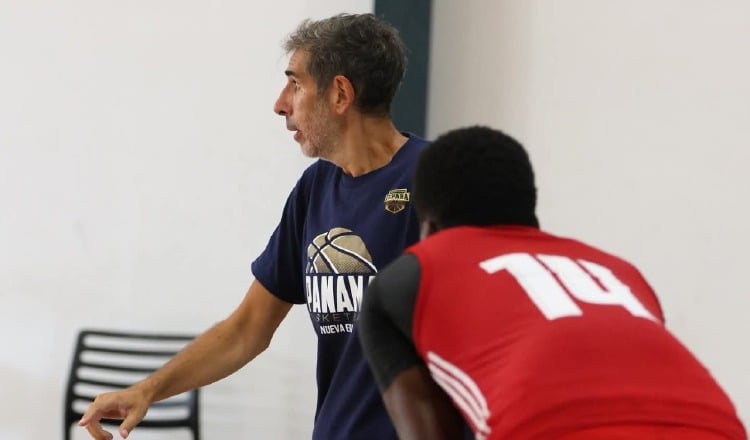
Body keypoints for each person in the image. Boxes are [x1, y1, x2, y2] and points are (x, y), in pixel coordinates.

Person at [79, 13, 428, 440]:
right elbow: (247, 330)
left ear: (340, 94)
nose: (281, 103)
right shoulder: (315, 188)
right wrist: (147, 391)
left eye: (295, 84)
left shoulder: (434, 181)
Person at [358, 125, 748, 440]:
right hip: (717, 426)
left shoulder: (414, 273)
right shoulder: (620, 272)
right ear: (530, 214)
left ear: (430, 227)